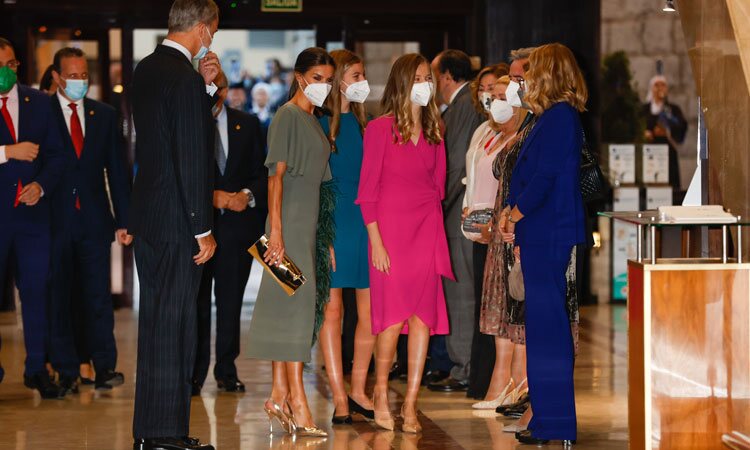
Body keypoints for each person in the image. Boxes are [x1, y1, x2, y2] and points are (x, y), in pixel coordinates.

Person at [129, 0, 221, 448]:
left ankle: (150, 431)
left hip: (149, 218)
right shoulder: (181, 78)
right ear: (202, 30)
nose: (212, 40)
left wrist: (204, 91)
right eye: (214, 31)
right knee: (175, 327)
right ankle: (166, 434)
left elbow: (163, 138)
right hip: (177, 224)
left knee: (155, 327)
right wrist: (201, 227)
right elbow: (189, 157)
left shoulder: (147, 68)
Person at [357, 53, 453, 433]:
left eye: (428, 77)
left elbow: (439, 187)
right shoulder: (379, 129)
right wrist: (376, 242)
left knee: (422, 319)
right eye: (418, 77)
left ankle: (410, 404)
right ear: (402, 82)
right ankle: (380, 392)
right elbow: (367, 193)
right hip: (389, 234)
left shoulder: (435, 128)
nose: (425, 83)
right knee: (392, 320)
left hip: (426, 230)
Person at [245, 47, 335, 439]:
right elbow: (274, 178)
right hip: (286, 228)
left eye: (329, 79)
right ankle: (297, 399)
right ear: (300, 77)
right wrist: (276, 233)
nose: (324, 86)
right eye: (318, 78)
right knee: (296, 313)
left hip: (306, 227)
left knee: (291, 311)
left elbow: (323, 186)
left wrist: (323, 237)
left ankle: (279, 394)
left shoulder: (315, 120)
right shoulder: (286, 116)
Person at [500, 43, 586, 446]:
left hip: (548, 231)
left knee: (549, 330)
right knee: (541, 329)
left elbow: (545, 177)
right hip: (540, 231)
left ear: (549, 73)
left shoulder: (560, 118)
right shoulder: (548, 117)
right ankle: (547, 416)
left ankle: (557, 423)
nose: (527, 78)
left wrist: (514, 214)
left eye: (532, 71)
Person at [46, 47, 131, 395]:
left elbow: (118, 170)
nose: (80, 81)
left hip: (95, 221)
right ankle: (66, 368)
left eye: (84, 75)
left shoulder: (105, 114)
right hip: (54, 221)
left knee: (97, 297)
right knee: (60, 296)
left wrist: (126, 220)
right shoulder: (42, 113)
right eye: (73, 75)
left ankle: (104, 366)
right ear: (56, 77)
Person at [192, 70, 267, 395]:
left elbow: (264, 173)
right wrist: (211, 196)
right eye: (208, 87)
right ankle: (194, 374)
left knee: (230, 303)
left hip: (238, 230)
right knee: (195, 303)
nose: (215, 93)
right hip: (198, 232)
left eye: (219, 87)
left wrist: (245, 196)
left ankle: (226, 369)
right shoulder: (189, 123)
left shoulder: (247, 123)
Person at [0, 37, 66, 398]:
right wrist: (7, 151)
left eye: (11, 65)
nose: (6, 72)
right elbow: (14, 151)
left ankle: (37, 368)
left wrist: (40, 185)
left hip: (33, 217)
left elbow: (57, 156)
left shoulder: (38, 102)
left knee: (37, 291)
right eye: (0, 66)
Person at [317, 48, 375, 425]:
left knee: (371, 313)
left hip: (367, 223)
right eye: (356, 75)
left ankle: (358, 389)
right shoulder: (320, 125)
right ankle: (338, 396)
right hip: (334, 223)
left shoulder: (368, 124)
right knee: (333, 311)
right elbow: (313, 184)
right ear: (339, 81)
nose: (362, 82)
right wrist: (323, 236)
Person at [427, 49, 485, 394]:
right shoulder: (465, 105)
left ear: (447, 76)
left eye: (432, 77)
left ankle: (463, 367)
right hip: (461, 213)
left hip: (458, 216)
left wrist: (435, 205)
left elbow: (454, 166)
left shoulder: (464, 107)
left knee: (461, 292)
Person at [464, 63, 509, 400]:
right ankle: (482, 379)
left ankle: (500, 380)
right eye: (487, 93)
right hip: (479, 227)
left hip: (500, 228)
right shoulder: (485, 131)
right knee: (485, 305)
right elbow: (475, 176)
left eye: (497, 92)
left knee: (502, 307)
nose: (491, 97)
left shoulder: (515, 132)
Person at [642, 74, 687, 192]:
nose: (660, 88)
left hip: (668, 155)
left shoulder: (673, 109)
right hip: (649, 154)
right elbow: (636, 127)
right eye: (657, 85)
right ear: (651, 88)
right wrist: (645, 133)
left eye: (663, 85)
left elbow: (681, 126)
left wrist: (667, 131)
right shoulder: (643, 109)